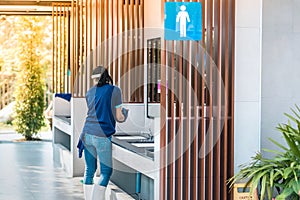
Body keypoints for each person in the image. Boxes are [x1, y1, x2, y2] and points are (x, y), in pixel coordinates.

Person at [77, 66, 128, 200]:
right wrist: (125, 114)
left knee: (89, 171)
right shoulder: (115, 91)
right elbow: (119, 117)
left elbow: (95, 113)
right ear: (107, 76)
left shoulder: (89, 93)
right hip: (102, 135)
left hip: (87, 133)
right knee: (106, 172)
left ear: (94, 79)